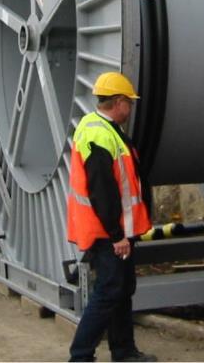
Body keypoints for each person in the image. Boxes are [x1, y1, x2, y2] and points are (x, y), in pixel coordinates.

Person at [66, 71, 156, 363]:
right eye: (129, 102)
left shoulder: (103, 128)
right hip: (108, 233)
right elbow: (102, 191)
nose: (131, 108)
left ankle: (124, 351)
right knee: (108, 292)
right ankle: (80, 356)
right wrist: (117, 236)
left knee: (120, 290)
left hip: (118, 231)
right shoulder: (99, 135)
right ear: (118, 102)